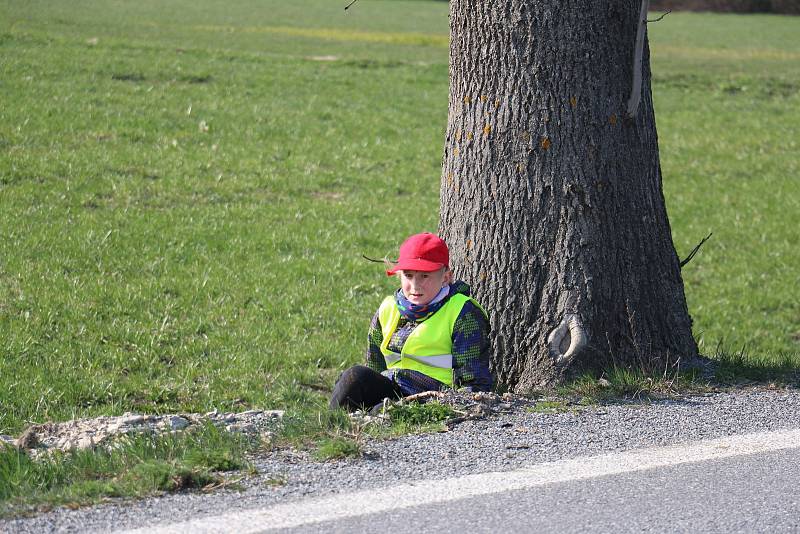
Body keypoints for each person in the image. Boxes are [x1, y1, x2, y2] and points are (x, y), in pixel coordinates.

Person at [330, 232, 492, 412]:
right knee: (353, 376)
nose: (415, 286)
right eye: (408, 275)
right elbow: (374, 367)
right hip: (392, 387)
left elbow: (474, 385)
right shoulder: (387, 308)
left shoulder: (463, 312)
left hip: (435, 397)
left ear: (446, 277)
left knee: (381, 411)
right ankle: (332, 430)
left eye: (424, 276)